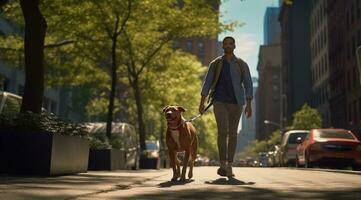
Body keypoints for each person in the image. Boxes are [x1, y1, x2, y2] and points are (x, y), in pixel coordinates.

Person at [199, 36, 253, 177]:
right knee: (222, 132)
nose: (228, 46)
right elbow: (207, 82)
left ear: (234, 46)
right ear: (223, 46)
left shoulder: (241, 64)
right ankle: (222, 164)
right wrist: (202, 102)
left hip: (237, 103)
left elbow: (248, 84)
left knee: (233, 134)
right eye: (226, 44)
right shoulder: (215, 63)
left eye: (231, 44)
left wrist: (249, 105)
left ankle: (230, 165)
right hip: (219, 102)